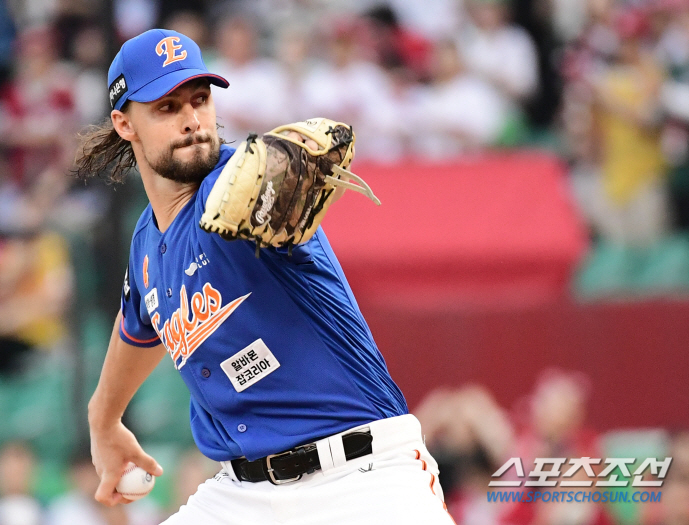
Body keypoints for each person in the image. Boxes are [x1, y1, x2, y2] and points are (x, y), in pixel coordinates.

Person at [76, 29, 454, 524]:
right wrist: (103, 421)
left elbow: (268, 174)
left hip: (361, 476)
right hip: (242, 495)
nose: (192, 120)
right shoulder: (148, 244)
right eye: (167, 108)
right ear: (125, 124)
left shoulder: (240, 186)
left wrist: (281, 177)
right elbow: (137, 328)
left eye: (200, 99)